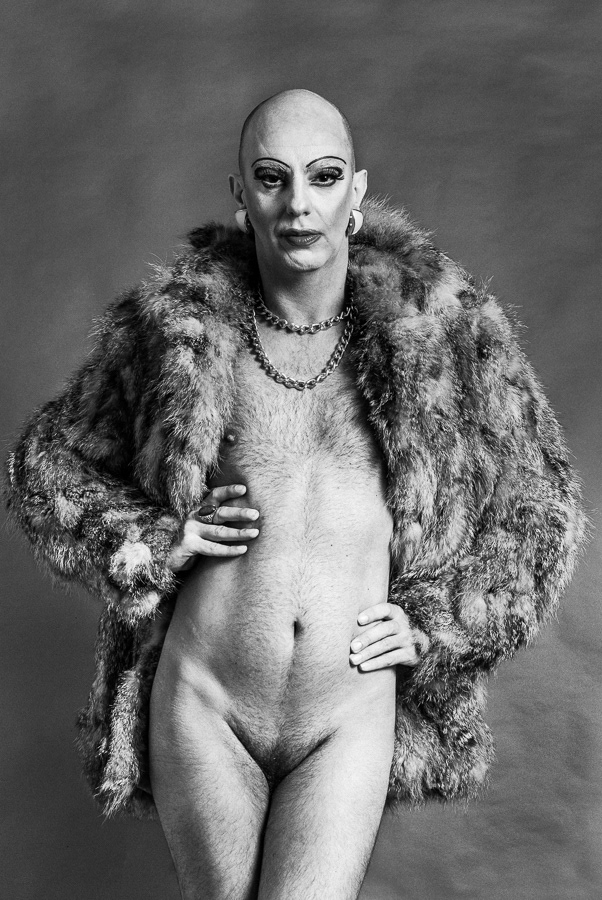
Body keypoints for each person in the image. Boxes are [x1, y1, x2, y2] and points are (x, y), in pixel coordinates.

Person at [4, 89, 585, 900]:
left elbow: (545, 512)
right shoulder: (177, 333)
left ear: (356, 192)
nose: (299, 204)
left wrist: (441, 620)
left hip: (345, 714)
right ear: (242, 195)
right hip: (205, 700)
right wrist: (152, 542)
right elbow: (44, 467)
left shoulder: (443, 337)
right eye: (273, 178)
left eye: (324, 176)